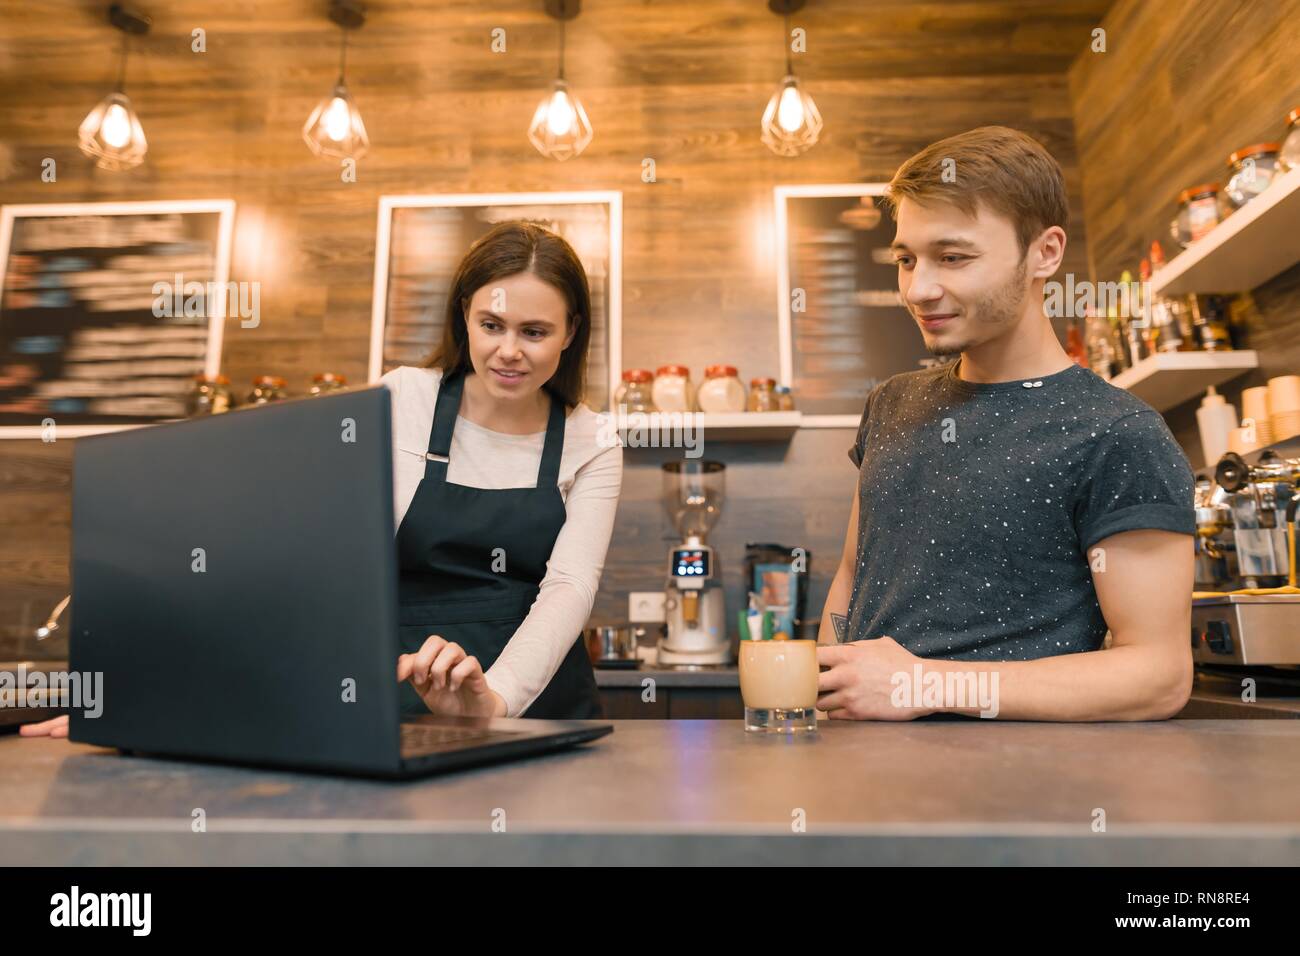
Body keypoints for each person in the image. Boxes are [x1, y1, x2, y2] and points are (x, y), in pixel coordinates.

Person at [22, 220, 621, 737]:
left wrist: (492, 702)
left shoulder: (592, 440)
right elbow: (312, 562)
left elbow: (569, 587)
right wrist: (150, 691)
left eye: (535, 332)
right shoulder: (402, 399)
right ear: (464, 315)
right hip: (400, 702)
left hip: (538, 709)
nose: (508, 351)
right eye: (491, 325)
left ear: (570, 333)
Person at [815, 126, 1196, 722]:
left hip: (1021, 790)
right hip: (864, 780)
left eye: (953, 257)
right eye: (906, 259)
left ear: (1045, 252)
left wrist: (923, 685)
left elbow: (1157, 675)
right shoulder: (889, 404)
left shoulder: (1119, 433)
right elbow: (850, 577)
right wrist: (830, 689)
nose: (919, 289)